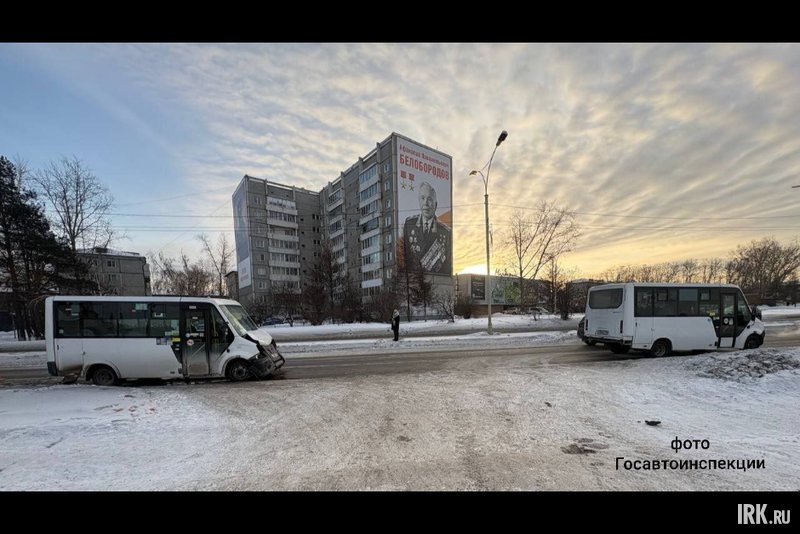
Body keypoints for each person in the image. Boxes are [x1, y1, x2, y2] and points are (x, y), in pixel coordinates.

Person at [402, 181, 452, 274]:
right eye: (422, 198)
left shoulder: (445, 232)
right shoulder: (409, 224)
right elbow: (405, 256)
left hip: (435, 280)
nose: (425, 203)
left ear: (435, 205)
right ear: (419, 201)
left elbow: (447, 267)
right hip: (413, 278)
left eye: (429, 199)